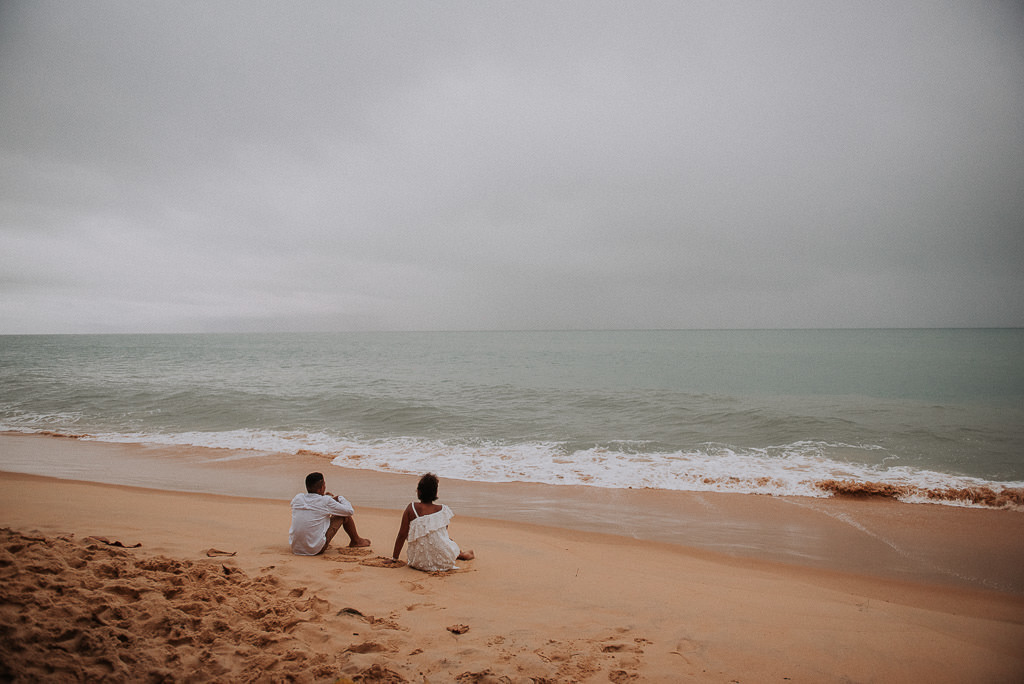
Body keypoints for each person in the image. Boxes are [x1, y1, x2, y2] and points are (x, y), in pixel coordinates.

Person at [392, 472, 474, 571]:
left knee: (439, 541)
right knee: (448, 541)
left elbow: (402, 534)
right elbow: (443, 535)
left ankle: (459, 553)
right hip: (443, 562)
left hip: (418, 562)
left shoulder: (411, 508)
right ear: (435, 493)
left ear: (419, 491)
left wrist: (394, 558)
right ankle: (464, 554)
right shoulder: (443, 510)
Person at [289, 471, 371, 555]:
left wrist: (326, 498)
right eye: (324, 485)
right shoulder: (325, 501)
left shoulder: (298, 498)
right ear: (321, 488)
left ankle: (355, 540)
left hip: (296, 547)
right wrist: (340, 498)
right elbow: (349, 511)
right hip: (314, 549)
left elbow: (314, 504)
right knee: (344, 515)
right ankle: (356, 541)